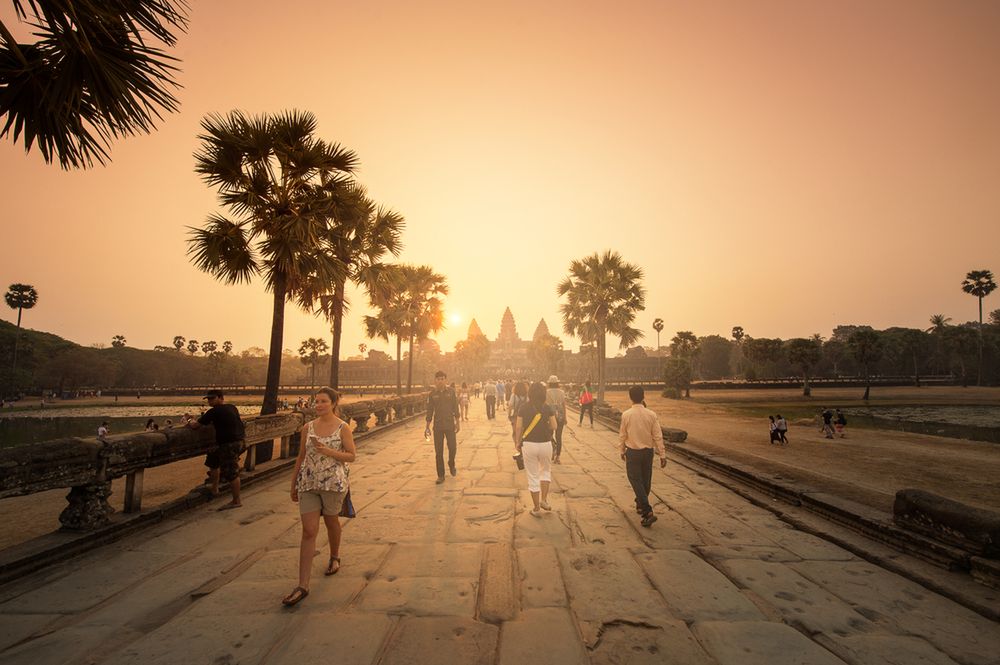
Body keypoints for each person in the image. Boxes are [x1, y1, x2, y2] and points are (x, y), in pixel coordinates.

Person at [283, 387, 356, 607]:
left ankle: (334, 556)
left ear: (334, 403)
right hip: (308, 483)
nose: (319, 405)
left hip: (333, 484)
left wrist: (328, 451)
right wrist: (294, 483)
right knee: (309, 531)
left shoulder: (343, 428)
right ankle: (302, 585)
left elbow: (352, 456)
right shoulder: (308, 427)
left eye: (324, 401)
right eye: (317, 401)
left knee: (331, 521)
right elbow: (301, 457)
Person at [187, 390, 246, 509]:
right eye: (208, 399)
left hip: (228, 444)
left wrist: (188, 420)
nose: (210, 401)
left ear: (221, 398)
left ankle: (236, 501)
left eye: (212, 398)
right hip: (240, 441)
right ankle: (215, 488)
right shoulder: (232, 407)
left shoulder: (213, 412)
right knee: (213, 461)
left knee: (232, 473)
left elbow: (195, 426)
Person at [619, 386, 667, 528]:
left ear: (630, 397)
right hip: (648, 452)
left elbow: (622, 435)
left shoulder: (626, 415)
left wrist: (621, 450)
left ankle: (647, 511)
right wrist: (662, 454)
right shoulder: (651, 414)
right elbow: (658, 436)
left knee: (636, 480)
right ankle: (640, 504)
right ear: (643, 396)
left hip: (633, 452)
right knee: (645, 481)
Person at [514, 382, 557, 516]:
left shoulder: (523, 408)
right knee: (545, 471)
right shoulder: (547, 408)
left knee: (533, 475)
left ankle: (536, 508)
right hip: (545, 444)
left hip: (529, 444)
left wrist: (517, 441)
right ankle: (544, 500)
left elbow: (518, 427)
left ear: (530, 393)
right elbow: (554, 426)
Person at [425, 370, 461, 484]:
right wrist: (427, 426)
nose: (440, 381)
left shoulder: (451, 392)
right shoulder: (432, 394)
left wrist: (457, 422)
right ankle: (440, 475)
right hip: (438, 426)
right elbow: (430, 410)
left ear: (446, 380)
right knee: (438, 452)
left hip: (450, 424)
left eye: (442, 379)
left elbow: (455, 407)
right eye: (438, 379)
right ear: (435, 381)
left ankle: (451, 463)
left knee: (453, 448)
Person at [545, 375, 567, 464]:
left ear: (549, 383)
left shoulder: (547, 392)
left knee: (549, 435)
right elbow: (564, 405)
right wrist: (565, 417)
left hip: (550, 415)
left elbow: (545, 404)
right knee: (559, 436)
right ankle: (558, 457)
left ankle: (551, 451)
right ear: (557, 383)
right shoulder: (561, 392)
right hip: (560, 415)